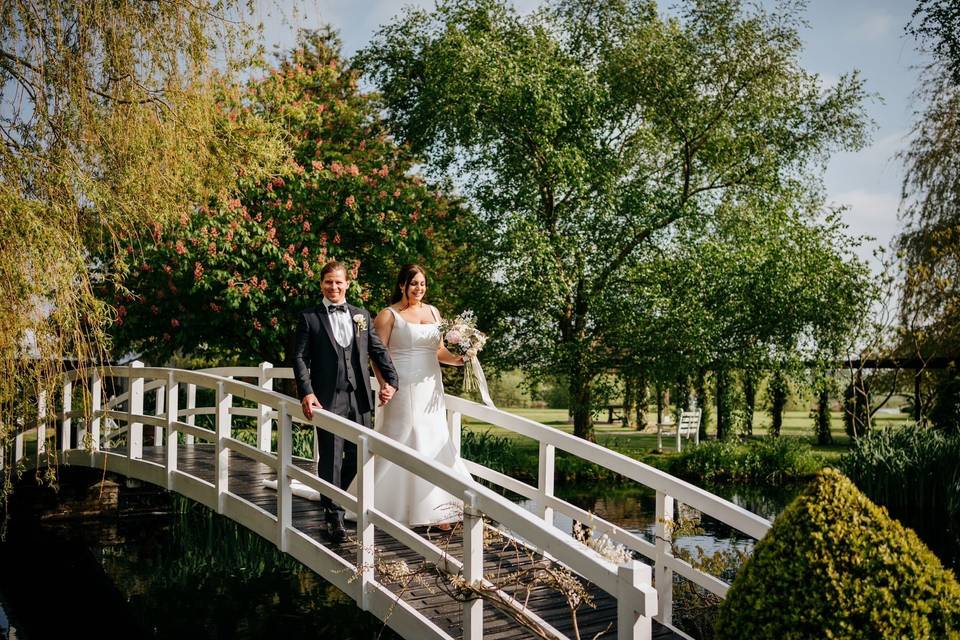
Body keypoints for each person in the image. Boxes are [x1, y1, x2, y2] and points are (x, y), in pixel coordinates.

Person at [347, 264, 474, 529]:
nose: (419, 288)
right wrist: (385, 385)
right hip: (401, 384)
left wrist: (461, 359)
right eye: (414, 283)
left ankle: (439, 511)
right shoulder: (389, 315)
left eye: (423, 284)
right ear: (403, 285)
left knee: (434, 436)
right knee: (404, 435)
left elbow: (438, 351)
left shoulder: (433, 312)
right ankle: (380, 502)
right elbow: (376, 357)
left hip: (430, 386)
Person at [292, 261, 399, 543]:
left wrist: (392, 382)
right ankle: (334, 516)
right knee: (331, 457)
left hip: (359, 397)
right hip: (326, 397)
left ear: (347, 284)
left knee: (357, 455)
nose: (334, 287)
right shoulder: (309, 318)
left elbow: (378, 351)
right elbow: (300, 358)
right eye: (328, 282)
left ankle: (336, 500)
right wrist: (307, 391)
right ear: (321, 284)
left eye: (339, 282)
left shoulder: (360, 315)